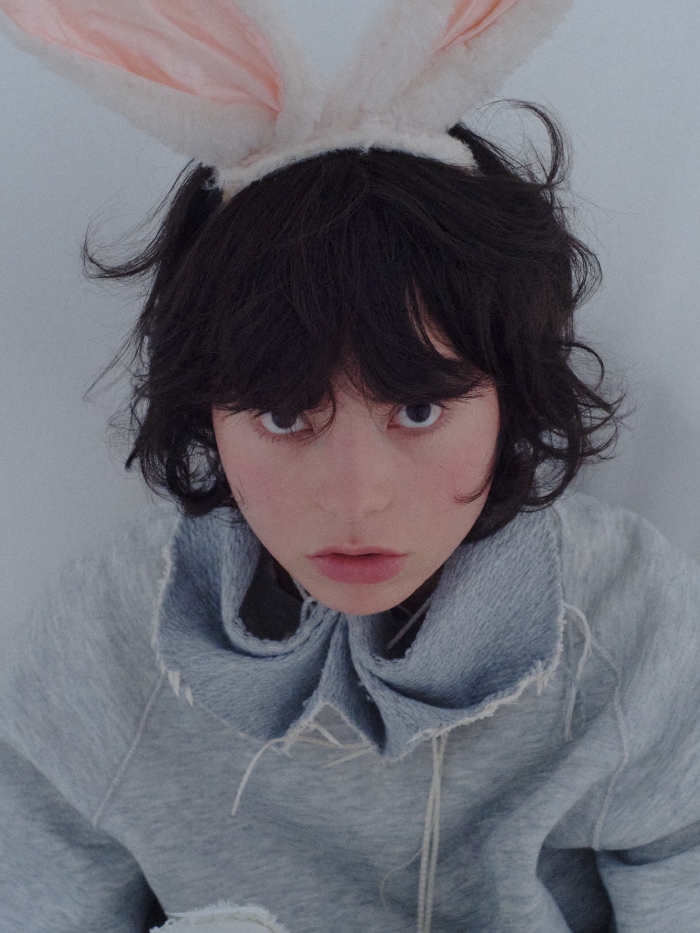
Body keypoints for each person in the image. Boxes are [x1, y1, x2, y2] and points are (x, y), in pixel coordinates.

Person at [1, 2, 700, 932]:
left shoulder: (630, 620)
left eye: (418, 409)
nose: (355, 496)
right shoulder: (107, 635)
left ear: (513, 393)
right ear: (208, 411)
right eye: (286, 415)